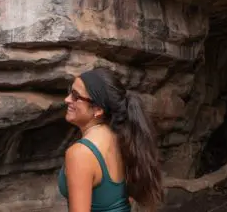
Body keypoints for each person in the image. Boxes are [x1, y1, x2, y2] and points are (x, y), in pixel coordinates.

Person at [58, 68, 163, 212]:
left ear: (98, 109)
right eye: (70, 91)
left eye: (76, 96)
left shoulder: (81, 153)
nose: (67, 99)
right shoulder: (122, 138)